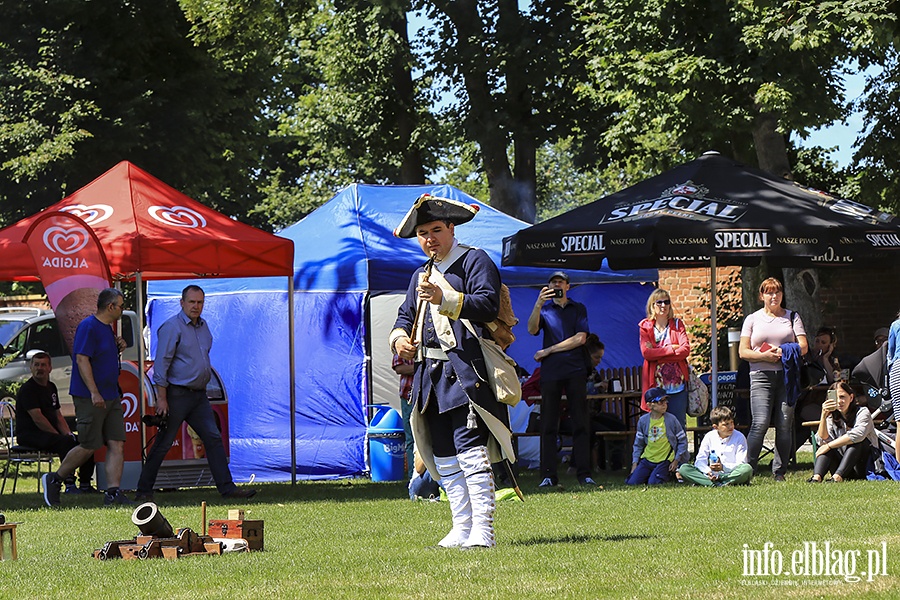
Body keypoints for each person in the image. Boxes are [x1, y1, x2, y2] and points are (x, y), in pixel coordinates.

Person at [391, 194, 512, 549]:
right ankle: (461, 526)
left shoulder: (475, 261)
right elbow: (404, 317)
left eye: (437, 230)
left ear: (451, 229)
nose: (430, 238)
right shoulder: (420, 274)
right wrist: (399, 340)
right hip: (430, 377)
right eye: (424, 233)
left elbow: (488, 305)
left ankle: (484, 530)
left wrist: (445, 298)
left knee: (470, 450)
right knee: (443, 454)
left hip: (466, 371)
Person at [135, 285, 256, 501]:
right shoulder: (172, 327)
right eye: (192, 302)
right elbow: (161, 364)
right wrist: (162, 398)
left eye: (200, 302)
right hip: (177, 395)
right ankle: (144, 491)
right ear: (182, 303)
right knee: (163, 443)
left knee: (213, 438)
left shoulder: (203, 326)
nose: (196, 306)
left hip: (199, 396)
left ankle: (227, 489)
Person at [41, 288, 132, 507]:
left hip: (111, 395)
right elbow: (82, 360)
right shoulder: (88, 326)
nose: (122, 310)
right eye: (121, 306)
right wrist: (94, 392)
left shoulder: (107, 329)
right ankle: (55, 479)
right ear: (110, 307)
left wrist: (117, 346)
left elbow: (101, 357)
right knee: (90, 444)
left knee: (116, 443)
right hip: (91, 397)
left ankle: (112, 492)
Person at [527, 271, 595, 488]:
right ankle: (548, 474)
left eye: (560, 282)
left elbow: (581, 338)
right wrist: (538, 304)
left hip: (575, 370)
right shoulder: (545, 309)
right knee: (548, 424)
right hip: (551, 373)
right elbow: (531, 330)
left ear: (568, 286)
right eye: (553, 282)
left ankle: (584, 473)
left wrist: (548, 350)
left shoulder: (578, 308)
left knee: (580, 422)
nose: (557, 285)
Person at [739, 277, 808, 481]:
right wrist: (763, 356)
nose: (774, 296)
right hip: (760, 376)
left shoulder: (792, 317)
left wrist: (784, 350)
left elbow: (803, 346)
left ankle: (779, 471)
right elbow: (743, 352)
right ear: (762, 296)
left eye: (777, 292)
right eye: (769, 292)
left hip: (787, 377)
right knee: (759, 423)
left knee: (785, 423)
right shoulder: (752, 319)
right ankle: (748, 469)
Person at [16, 352, 96, 494]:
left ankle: (85, 483)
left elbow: (57, 415)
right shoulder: (28, 389)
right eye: (36, 365)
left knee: (86, 441)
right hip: (30, 434)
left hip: (49, 434)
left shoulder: (51, 387)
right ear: (31, 367)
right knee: (64, 443)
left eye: (43, 365)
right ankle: (69, 484)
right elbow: (38, 418)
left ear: (50, 368)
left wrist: (68, 434)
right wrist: (60, 436)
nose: (39, 368)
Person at [639, 289, 691, 427]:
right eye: (659, 302)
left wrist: (657, 353)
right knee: (658, 426)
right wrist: (671, 348)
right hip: (656, 385)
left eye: (666, 302)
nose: (663, 305)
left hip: (677, 386)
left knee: (678, 425)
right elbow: (646, 353)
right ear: (652, 306)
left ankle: (679, 450)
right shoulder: (645, 327)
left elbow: (685, 350)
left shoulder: (678, 324)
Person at [808, 381, 878, 482]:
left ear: (851, 397)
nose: (839, 401)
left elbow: (858, 435)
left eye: (842, 397)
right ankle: (816, 477)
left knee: (857, 443)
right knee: (826, 445)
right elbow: (822, 440)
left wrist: (829, 446)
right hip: (842, 464)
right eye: (836, 398)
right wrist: (823, 415)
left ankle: (837, 477)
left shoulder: (863, 412)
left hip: (864, 465)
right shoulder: (832, 416)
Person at [625, 387, 689, 485]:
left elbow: (682, 441)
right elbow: (638, 444)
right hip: (647, 459)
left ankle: (665, 475)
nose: (664, 404)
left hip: (665, 460)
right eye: (660, 401)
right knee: (632, 482)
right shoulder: (643, 421)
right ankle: (650, 474)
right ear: (649, 405)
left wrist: (676, 460)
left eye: (665, 400)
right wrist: (635, 464)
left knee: (654, 483)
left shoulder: (672, 420)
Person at [678, 406, 752, 486]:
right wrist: (708, 472)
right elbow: (700, 460)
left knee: (747, 469)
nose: (731, 427)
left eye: (732, 422)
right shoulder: (709, 436)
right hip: (711, 473)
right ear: (716, 427)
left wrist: (723, 467)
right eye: (726, 424)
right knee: (684, 469)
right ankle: (716, 482)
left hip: (730, 473)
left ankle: (718, 481)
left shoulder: (739, 437)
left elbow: (741, 462)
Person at [392, 353, 415, 479]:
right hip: (409, 396)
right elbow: (399, 368)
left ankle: (434, 480)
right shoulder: (403, 338)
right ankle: (414, 478)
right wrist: (422, 366)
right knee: (411, 438)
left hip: (430, 395)